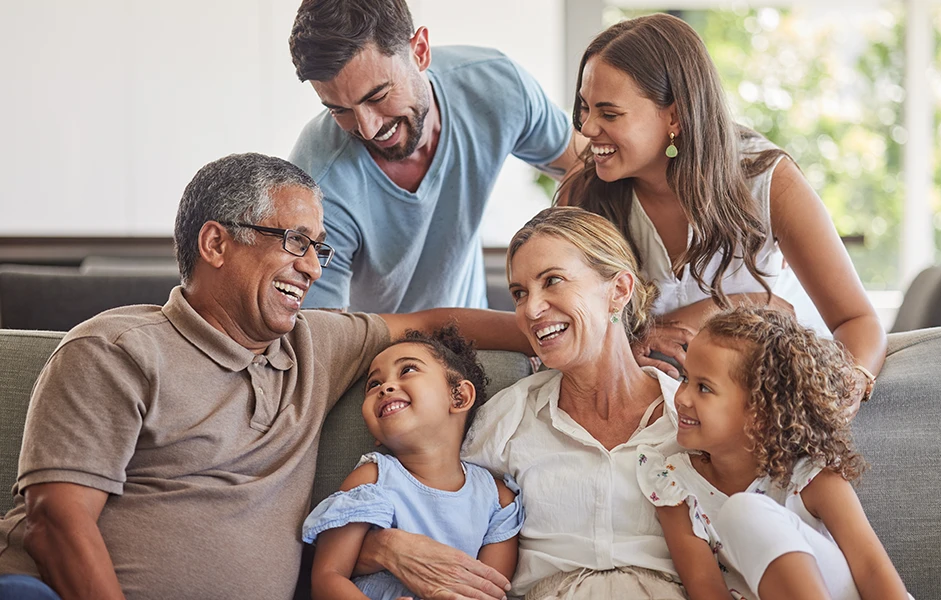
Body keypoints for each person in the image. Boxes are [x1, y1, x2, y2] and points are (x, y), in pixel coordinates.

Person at [0, 153, 529, 600]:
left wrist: (559, 337)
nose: (314, 268)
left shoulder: (316, 344)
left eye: (318, 248)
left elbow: (430, 324)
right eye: (296, 241)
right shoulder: (116, 350)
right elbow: (55, 524)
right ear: (215, 243)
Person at [350, 207, 688, 600]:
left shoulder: (688, 417)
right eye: (519, 294)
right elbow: (433, 511)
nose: (530, 309)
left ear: (619, 290)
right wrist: (383, 546)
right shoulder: (507, 419)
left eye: (553, 281)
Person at [558, 13, 885, 408]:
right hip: (660, 409)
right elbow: (567, 327)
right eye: (585, 108)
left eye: (609, 114)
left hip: (770, 397)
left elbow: (857, 320)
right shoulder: (584, 193)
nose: (587, 128)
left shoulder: (767, 181)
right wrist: (644, 335)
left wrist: (850, 385)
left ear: (675, 116)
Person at [288, 0, 584, 314]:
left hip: (476, 331)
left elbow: (584, 164)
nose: (368, 128)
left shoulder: (495, 86)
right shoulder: (316, 184)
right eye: (339, 111)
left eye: (378, 96)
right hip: (376, 343)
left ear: (419, 51)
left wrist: (565, 266)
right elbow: (323, 331)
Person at [637, 307, 911, 600]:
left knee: (743, 512)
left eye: (704, 388)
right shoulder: (674, 483)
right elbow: (706, 589)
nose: (681, 398)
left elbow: (871, 569)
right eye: (685, 378)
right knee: (740, 513)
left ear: (760, 412)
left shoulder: (810, 474)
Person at [304, 326, 523, 600]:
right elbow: (327, 578)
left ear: (459, 397)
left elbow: (489, 589)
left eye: (407, 370)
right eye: (373, 384)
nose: (385, 387)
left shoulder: (498, 499)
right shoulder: (372, 479)